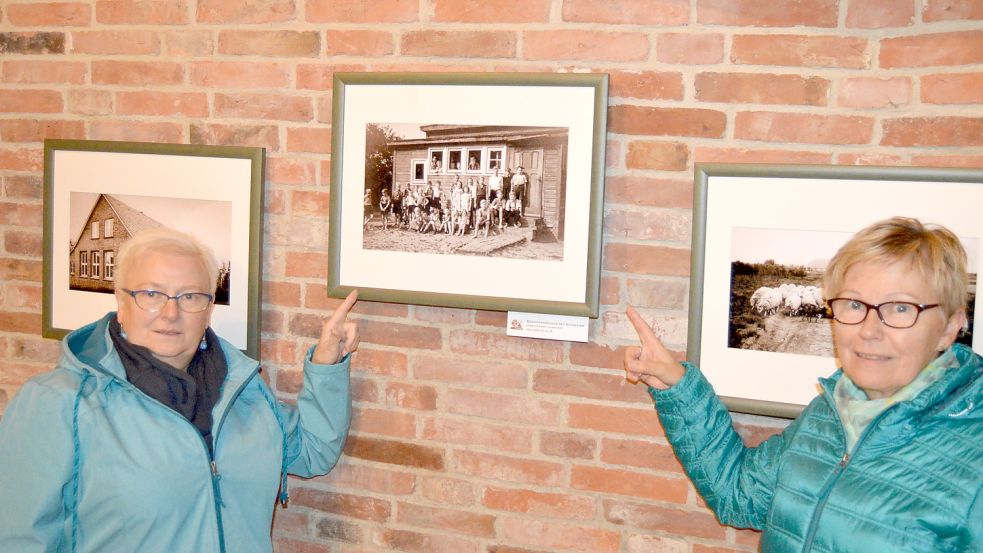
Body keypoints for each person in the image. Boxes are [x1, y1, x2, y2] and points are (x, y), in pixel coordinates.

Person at [622, 217, 982, 552]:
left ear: (950, 326)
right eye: (854, 304)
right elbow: (740, 496)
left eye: (901, 308)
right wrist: (677, 386)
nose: (869, 330)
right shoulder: (831, 412)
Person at [0, 228, 360, 553]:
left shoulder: (242, 391)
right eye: (151, 294)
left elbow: (312, 451)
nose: (170, 313)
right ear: (120, 303)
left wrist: (327, 365)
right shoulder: (58, 403)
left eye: (189, 297)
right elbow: (17, 538)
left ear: (208, 309)